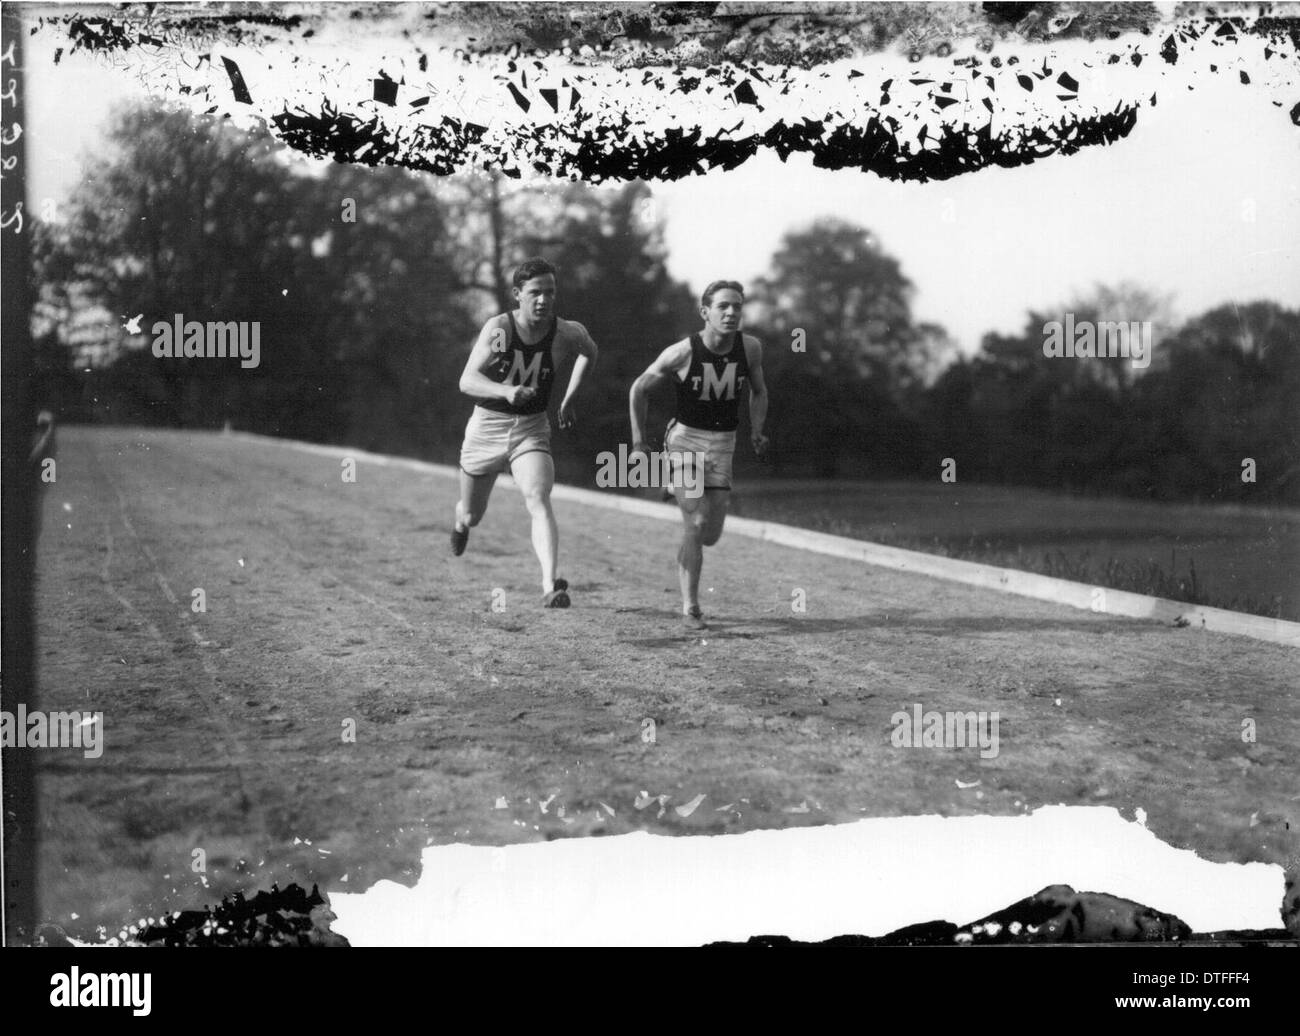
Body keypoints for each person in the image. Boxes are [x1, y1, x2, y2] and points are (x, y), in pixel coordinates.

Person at [452, 258, 598, 608]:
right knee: (474, 514)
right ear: (518, 295)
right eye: (535, 293)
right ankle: (460, 520)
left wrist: (568, 399)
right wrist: (506, 391)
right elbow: (467, 380)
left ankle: (550, 584)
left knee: (538, 496)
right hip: (487, 427)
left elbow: (589, 354)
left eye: (550, 292)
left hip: (531, 429)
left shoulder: (566, 332)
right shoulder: (499, 328)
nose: (544, 300)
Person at [629, 280, 768, 629]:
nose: (732, 312)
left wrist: (756, 428)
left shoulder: (750, 348)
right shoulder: (681, 352)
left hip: (724, 443)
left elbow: (759, 391)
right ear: (705, 312)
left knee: (711, 535)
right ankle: (691, 607)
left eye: (737, 306)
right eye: (723, 306)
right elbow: (639, 389)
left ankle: (676, 495)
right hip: (685, 442)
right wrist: (637, 440)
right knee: (697, 523)